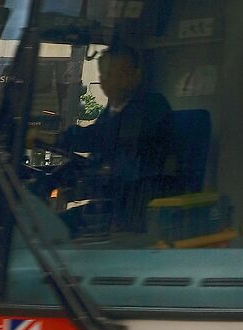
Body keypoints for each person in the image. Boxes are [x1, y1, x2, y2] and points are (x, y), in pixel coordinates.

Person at [58, 44, 176, 229]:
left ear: (137, 76)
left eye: (120, 74)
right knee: (52, 227)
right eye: (106, 75)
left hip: (139, 208)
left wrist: (57, 139)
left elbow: (103, 138)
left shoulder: (153, 107)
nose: (112, 81)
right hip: (111, 203)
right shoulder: (110, 112)